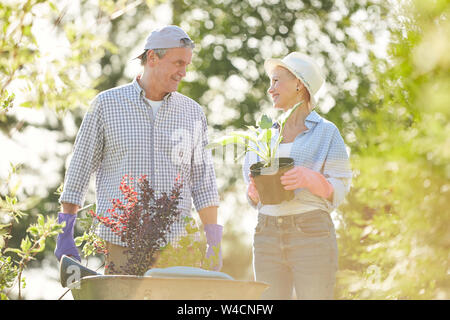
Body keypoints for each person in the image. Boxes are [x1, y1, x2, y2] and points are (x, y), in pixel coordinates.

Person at [55, 25, 223, 272]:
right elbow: (79, 170)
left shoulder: (192, 113)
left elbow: (203, 182)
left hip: (176, 246)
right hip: (122, 242)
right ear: (153, 57)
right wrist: (65, 230)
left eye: (187, 64)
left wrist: (213, 241)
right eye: (178, 63)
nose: (184, 72)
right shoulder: (106, 105)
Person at [243, 52, 352, 299]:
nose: (270, 89)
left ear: (299, 84)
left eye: (276, 81)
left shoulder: (326, 132)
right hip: (267, 234)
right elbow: (251, 192)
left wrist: (310, 178)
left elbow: (342, 185)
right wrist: (253, 192)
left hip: (311, 232)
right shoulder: (262, 135)